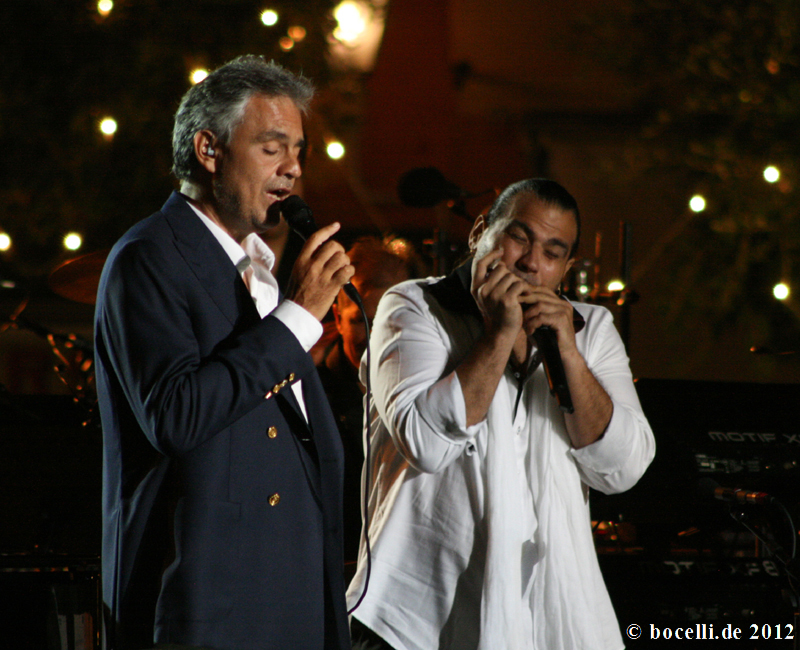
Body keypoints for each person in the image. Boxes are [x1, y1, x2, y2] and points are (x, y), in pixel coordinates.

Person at [94, 55, 354, 650]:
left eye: (298, 152)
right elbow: (176, 415)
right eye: (272, 148)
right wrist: (297, 317)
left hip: (291, 598)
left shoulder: (258, 266)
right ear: (209, 150)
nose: (293, 169)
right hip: (212, 606)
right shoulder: (148, 257)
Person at [346, 179, 656, 650]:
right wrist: (499, 332)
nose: (531, 262)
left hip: (541, 621)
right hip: (414, 621)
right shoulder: (412, 307)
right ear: (479, 233)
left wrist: (568, 353)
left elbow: (623, 467)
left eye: (552, 252)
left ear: (566, 268)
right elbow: (426, 444)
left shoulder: (590, 329)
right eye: (519, 237)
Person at [314, 237, 417, 571]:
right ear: (337, 316)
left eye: (388, 321)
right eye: (360, 321)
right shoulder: (310, 393)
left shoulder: (426, 387)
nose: (375, 338)